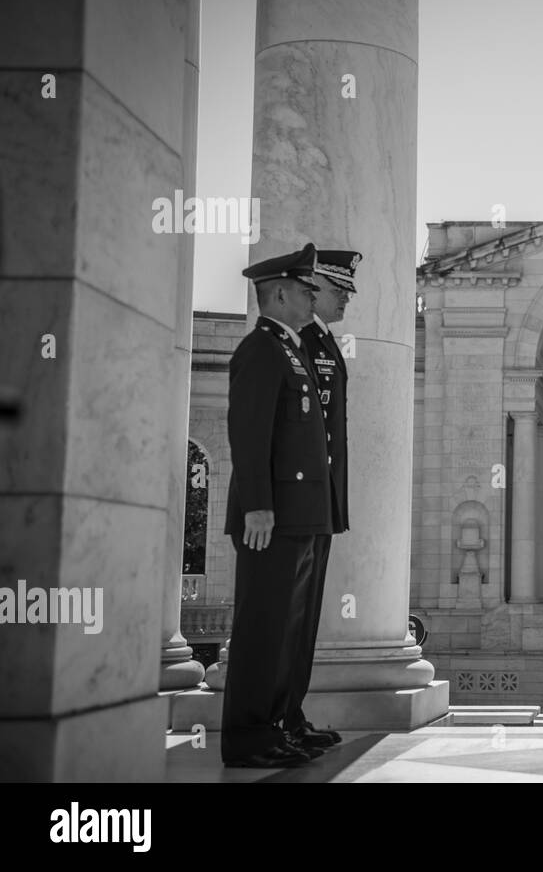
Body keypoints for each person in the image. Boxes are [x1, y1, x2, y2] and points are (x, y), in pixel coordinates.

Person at [221, 244, 333, 769]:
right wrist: (258, 506)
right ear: (281, 293)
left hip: (298, 515)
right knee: (262, 627)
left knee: (286, 628)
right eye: (307, 290)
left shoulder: (290, 349)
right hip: (272, 517)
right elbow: (249, 433)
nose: (314, 298)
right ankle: (248, 735)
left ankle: (276, 726)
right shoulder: (261, 349)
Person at [282, 249, 363, 751]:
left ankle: (289, 717)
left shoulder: (320, 342)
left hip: (318, 499)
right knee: (284, 617)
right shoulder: (294, 344)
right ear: (311, 288)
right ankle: (272, 723)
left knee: (303, 617)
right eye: (338, 291)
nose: (345, 301)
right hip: (296, 501)